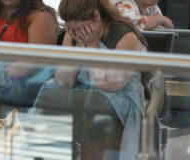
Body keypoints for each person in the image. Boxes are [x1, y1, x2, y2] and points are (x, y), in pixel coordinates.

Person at [35, 0, 147, 159]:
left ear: (96, 16)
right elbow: (64, 80)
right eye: (70, 28)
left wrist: (93, 46)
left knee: (93, 106)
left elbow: (110, 84)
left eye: (78, 28)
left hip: (120, 95)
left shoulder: (125, 35)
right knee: (49, 96)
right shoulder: (72, 33)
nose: (74, 32)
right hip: (84, 88)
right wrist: (80, 46)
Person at [110, 0, 190, 36]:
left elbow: (163, 36)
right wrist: (161, 19)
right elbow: (132, 24)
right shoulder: (121, 2)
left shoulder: (152, 7)